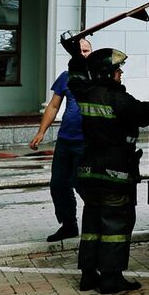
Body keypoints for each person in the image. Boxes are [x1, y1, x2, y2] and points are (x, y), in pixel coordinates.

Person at [68, 48, 149, 294]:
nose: (120, 73)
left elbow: (75, 78)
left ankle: (88, 276)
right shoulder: (118, 99)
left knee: (91, 225)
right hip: (114, 173)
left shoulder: (85, 93)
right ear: (107, 73)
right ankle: (111, 279)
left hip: (89, 172)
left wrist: (77, 57)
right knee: (115, 226)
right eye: (117, 69)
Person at [30, 36, 92, 242]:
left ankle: (97, 224)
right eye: (80, 51)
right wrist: (41, 132)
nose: (82, 54)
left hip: (87, 142)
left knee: (81, 183)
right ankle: (69, 225)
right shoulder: (66, 77)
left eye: (86, 51)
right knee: (58, 184)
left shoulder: (97, 77)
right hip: (65, 140)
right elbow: (54, 106)